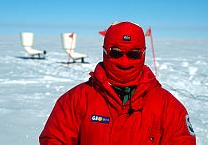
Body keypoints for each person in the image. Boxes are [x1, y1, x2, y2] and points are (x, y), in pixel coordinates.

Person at [39, 21, 196, 145]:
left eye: (133, 54)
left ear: (143, 54)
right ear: (105, 52)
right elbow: (54, 139)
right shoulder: (75, 100)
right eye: (116, 53)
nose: (125, 61)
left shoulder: (169, 107)